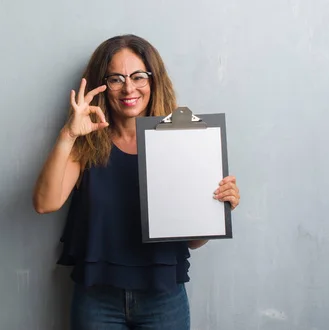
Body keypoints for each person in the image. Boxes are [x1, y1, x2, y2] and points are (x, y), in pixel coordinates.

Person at [32, 34, 241, 330]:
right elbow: (44, 203)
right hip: (97, 298)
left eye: (138, 76)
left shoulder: (182, 141)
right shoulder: (87, 143)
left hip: (163, 297)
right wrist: (68, 134)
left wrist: (217, 208)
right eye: (116, 79)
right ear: (101, 85)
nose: (128, 88)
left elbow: (193, 241)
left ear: (153, 80)